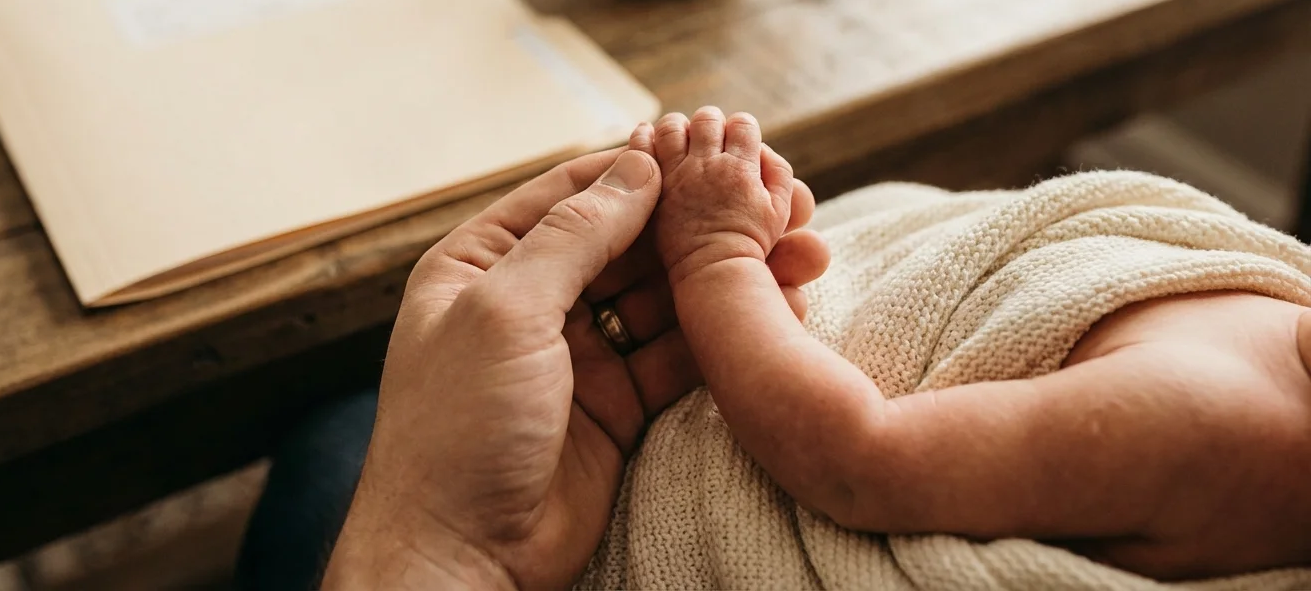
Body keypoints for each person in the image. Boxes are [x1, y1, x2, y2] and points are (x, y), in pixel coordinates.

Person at [237, 109, 1311, 591]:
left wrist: (713, 259)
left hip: (700, 494)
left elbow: (862, 455)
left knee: (337, 447)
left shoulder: (1215, 420)